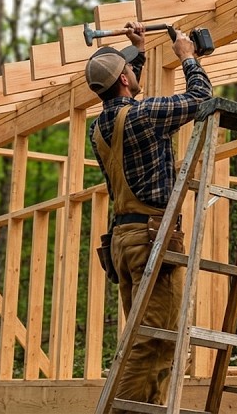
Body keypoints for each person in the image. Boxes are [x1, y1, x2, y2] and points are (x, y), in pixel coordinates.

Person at [86, 21, 212, 404]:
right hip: (149, 238)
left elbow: (123, 99)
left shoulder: (100, 127)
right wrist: (188, 57)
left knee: (146, 338)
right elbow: (200, 97)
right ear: (124, 79)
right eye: (129, 69)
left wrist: (137, 53)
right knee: (154, 344)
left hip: (124, 243)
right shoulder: (144, 116)